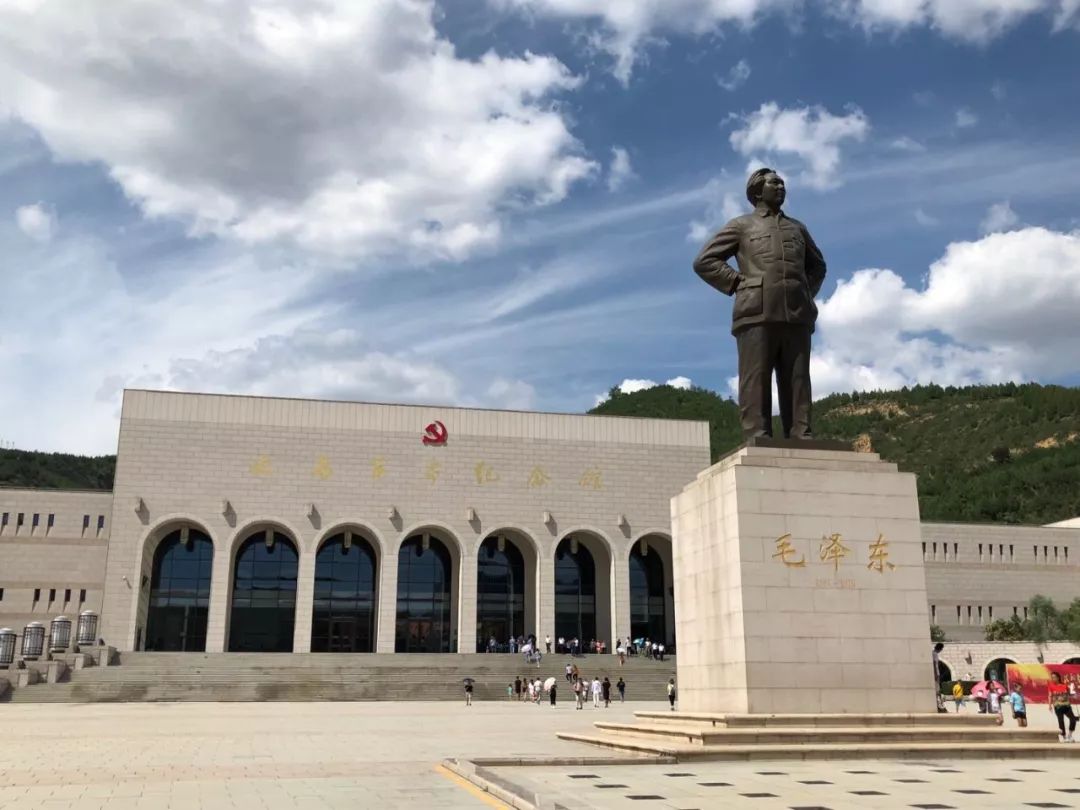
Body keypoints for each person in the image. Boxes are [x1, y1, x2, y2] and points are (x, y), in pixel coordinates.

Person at [693, 167, 827, 440]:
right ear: (757, 192)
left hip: (797, 314)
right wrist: (737, 283)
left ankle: (800, 433)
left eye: (782, 183)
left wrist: (805, 292)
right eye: (774, 183)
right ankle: (758, 433)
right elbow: (704, 261)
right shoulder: (741, 226)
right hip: (755, 312)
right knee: (756, 376)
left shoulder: (797, 228)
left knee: (798, 378)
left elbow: (818, 267)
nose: (780, 187)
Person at [1049, 671, 1078, 742]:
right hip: (1058, 706)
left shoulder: (1064, 685)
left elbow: (1070, 693)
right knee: (1061, 721)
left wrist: (1072, 693)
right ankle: (1064, 736)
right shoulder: (1051, 686)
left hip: (1067, 706)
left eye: (1054, 677)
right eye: (1052, 677)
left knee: (1073, 719)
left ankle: (1070, 735)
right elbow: (1050, 696)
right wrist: (1049, 705)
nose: (1053, 679)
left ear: (1058, 678)